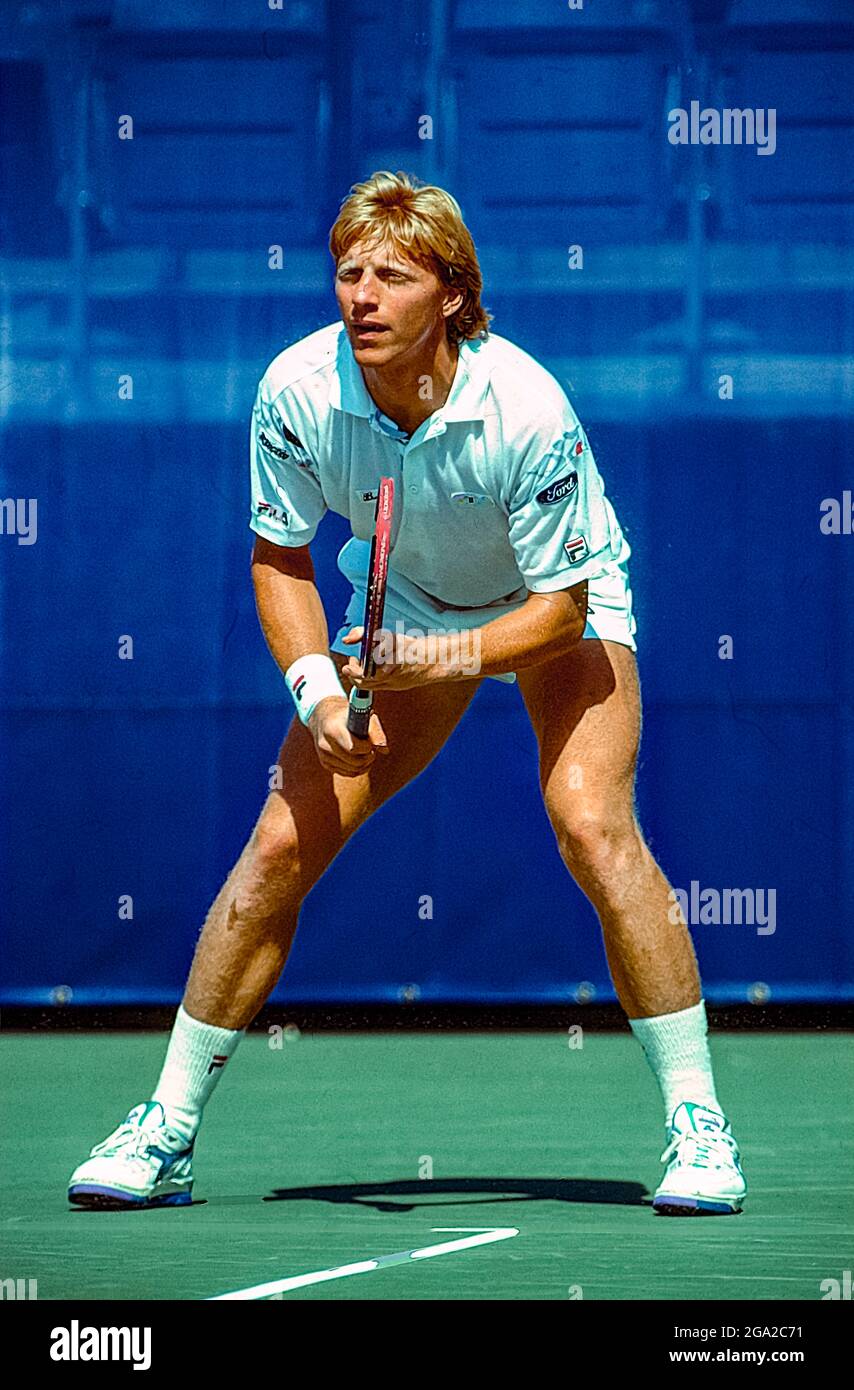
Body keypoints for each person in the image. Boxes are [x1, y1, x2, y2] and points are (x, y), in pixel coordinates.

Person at [68, 171, 746, 1217]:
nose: (362, 296)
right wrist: (315, 693)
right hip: (410, 602)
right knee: (280, 846)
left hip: (553, 600)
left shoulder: (522, 405)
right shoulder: (296, 389)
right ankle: (165, 1129)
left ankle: (698, 1126)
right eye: (348, 273)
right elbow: (280, 554)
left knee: (590, 825)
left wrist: (429, 658)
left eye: (392, 275)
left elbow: (561, 613)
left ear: (451, 295)